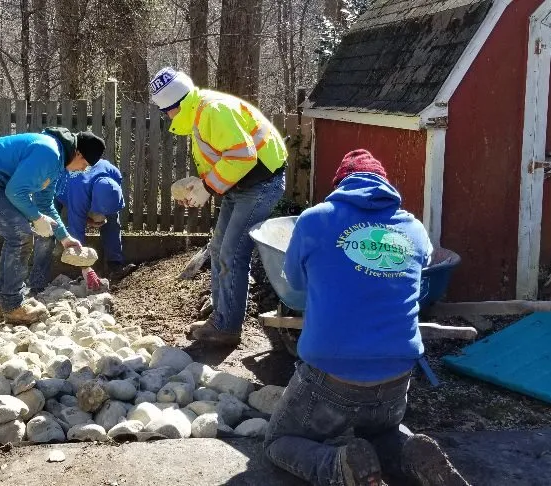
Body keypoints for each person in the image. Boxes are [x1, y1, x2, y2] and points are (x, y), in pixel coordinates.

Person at [263, 150, 469, 486]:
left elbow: (296, 286)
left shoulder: (316, 219)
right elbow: (417, 279)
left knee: (278, 443)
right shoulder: (414, 228)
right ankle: (410, 455)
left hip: (331, 378)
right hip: (397, 378)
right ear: (384, 185)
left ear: (340, 184)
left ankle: (337, 466)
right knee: (378, 434)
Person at [149, 67, 287, 346]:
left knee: (232, 255)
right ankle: (221, 318)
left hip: (259, 184)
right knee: (219, 250)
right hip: (242, 184)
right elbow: (225, 156)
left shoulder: (212, 111)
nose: (166, 117)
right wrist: (202, 182)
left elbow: (242, 156)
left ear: (174, 107)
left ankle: (227, 328)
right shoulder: (201, 111)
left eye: (165, 111)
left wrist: (208, 186)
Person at [0, 127, 106, 324]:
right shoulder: (49, 153)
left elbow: (45, 204)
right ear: (78, 153)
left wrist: (65, 238)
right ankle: (12, 305)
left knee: (17, 235)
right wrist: (36, 218)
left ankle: (1, 302)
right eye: (85, 165)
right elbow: (15, 192)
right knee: (20, 235)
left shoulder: (57, 161)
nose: (82, 170)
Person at [29, 157, 136, 292]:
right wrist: (85, 267)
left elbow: (112, 199)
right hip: (54, 189)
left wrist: (101, 215)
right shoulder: (79, 192)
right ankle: (37, 283)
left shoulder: (114, 174)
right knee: (47, 232)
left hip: (87, 189)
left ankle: (115, 266)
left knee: (112, 221)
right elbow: (76, 231)